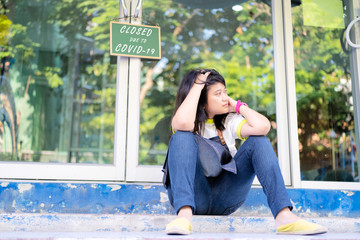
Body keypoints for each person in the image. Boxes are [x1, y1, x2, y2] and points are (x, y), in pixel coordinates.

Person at [162, 69, 327, 235]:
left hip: (226, 196)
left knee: (258, 139)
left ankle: (284, 216)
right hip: (196, 196)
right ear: (201, 100)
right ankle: (184, 215)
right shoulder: (185, 120)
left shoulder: (229, 121)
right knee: (181, 137)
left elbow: (263, 127)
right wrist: (197, 86)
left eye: (225, 92)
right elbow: (182, 124)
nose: (225, 98)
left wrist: (238, 106)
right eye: (218, 93)